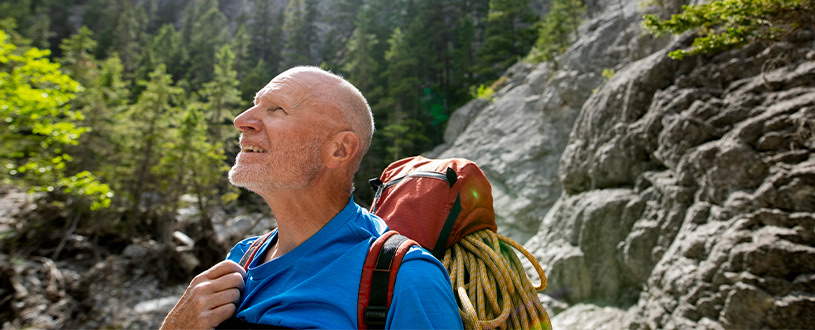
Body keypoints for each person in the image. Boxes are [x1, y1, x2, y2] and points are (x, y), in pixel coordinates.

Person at [161, 66, 463, 329]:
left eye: (276, 109)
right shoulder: (241, 258)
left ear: (339, 150)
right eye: (254, 105)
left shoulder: (407, 279)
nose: (242, 120)